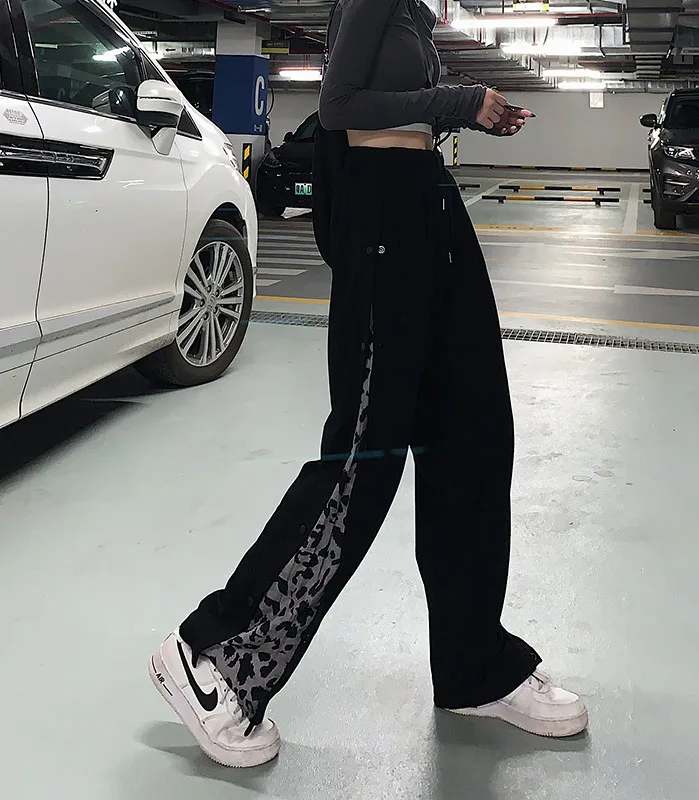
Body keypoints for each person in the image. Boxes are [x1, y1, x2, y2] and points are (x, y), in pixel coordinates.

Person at [149, 0, 588, 769]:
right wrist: (461, 101)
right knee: (365, 456)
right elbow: (341, 106)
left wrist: (462, 112)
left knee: (474, 434)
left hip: (427, 197)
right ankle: (217, 656)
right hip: (387, 213)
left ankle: (474, 666)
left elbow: (394, 103)